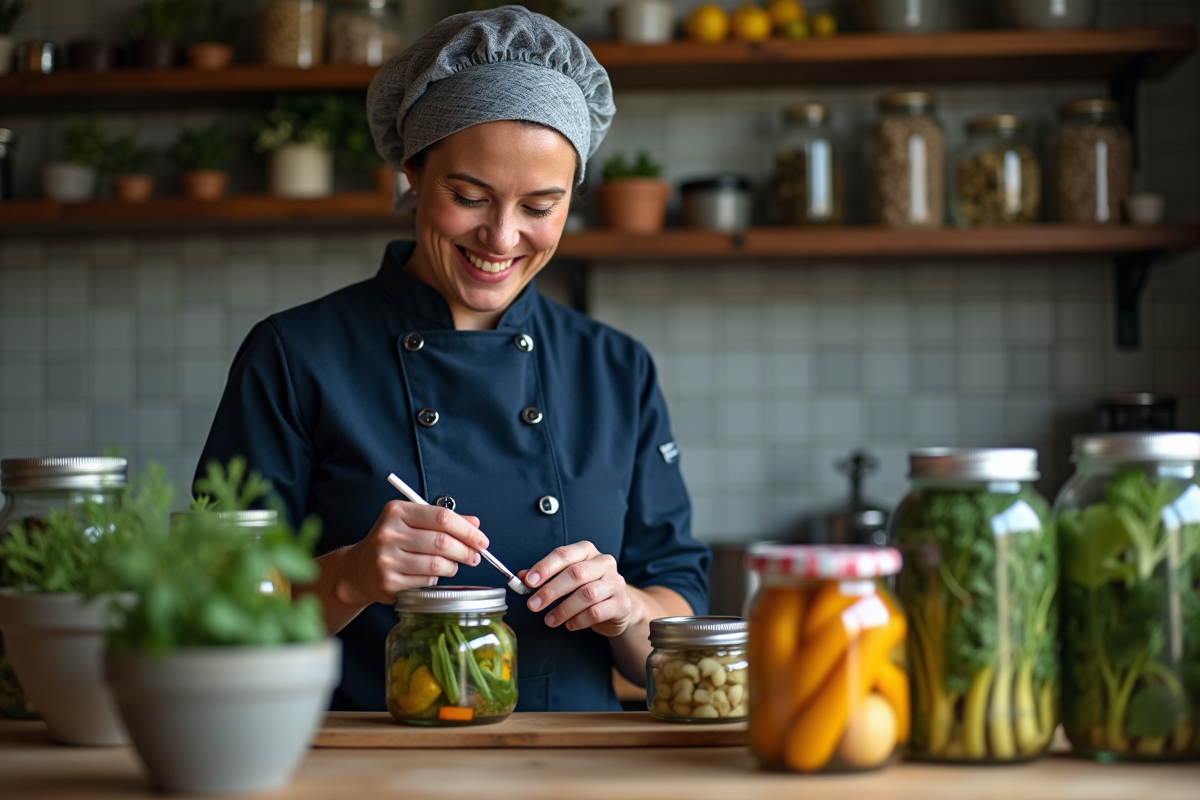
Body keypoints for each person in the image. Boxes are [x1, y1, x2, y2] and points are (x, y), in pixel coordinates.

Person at [196, 6, 709, 713]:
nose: (501, 237)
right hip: (355, 767)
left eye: (540, 205)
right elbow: (209, 615)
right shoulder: (293, 355)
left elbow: (678, 601)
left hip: (578, 766)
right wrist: (349, 577)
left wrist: (623, 607)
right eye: (469, 197)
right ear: (412, 173)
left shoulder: (616, 368)